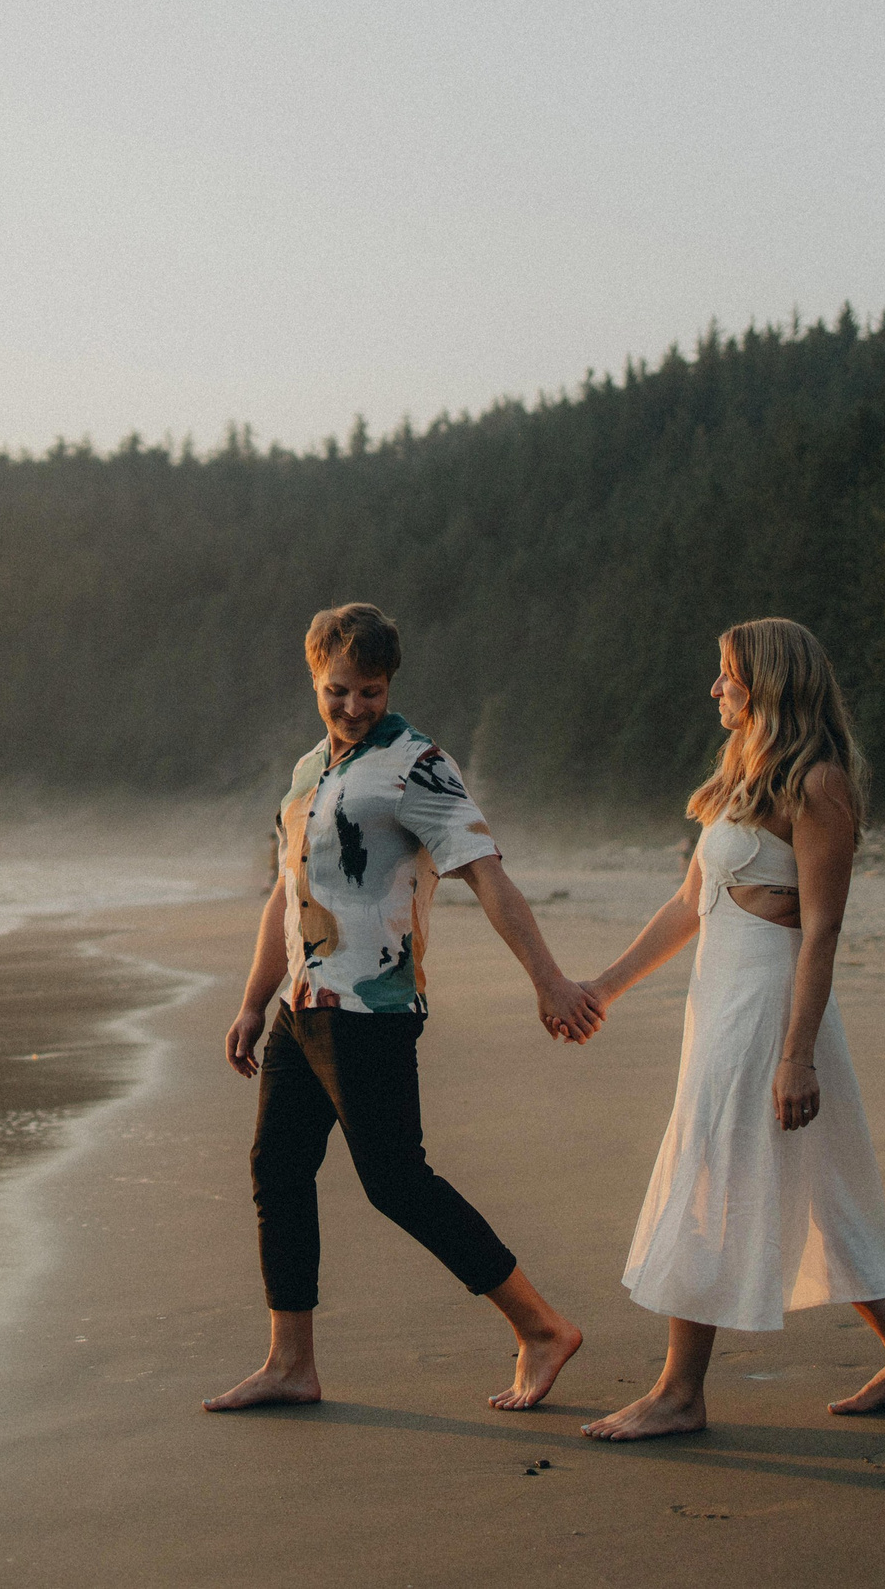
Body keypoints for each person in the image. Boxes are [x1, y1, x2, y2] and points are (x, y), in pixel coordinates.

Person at [205, 602, 600, 1414]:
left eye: (371, 692)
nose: (354, 708)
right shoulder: (309, 770)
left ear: (390, 686)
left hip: (371, 1008)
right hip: (302, 1003)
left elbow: (484, 870)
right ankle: (291, 1362)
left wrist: (549, 980)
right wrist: (253, 1000)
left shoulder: (417, 765)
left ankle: (540, 1326)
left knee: (396, 1181)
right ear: (316, 676)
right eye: (339, 690)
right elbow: (288, 892)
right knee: (276, 1171)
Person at [579, 618, 885, 1441]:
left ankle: (680, 1391)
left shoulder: (818, 784)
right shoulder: (742, 775)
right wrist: (605, 985)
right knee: (823, 1185)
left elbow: (820, 931)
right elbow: (688, 905)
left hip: (768, 1017)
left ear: (769, 684)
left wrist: (796, 1056)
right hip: (719, 1007)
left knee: (710, 1172)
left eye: (728, 677)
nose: (715, 689)